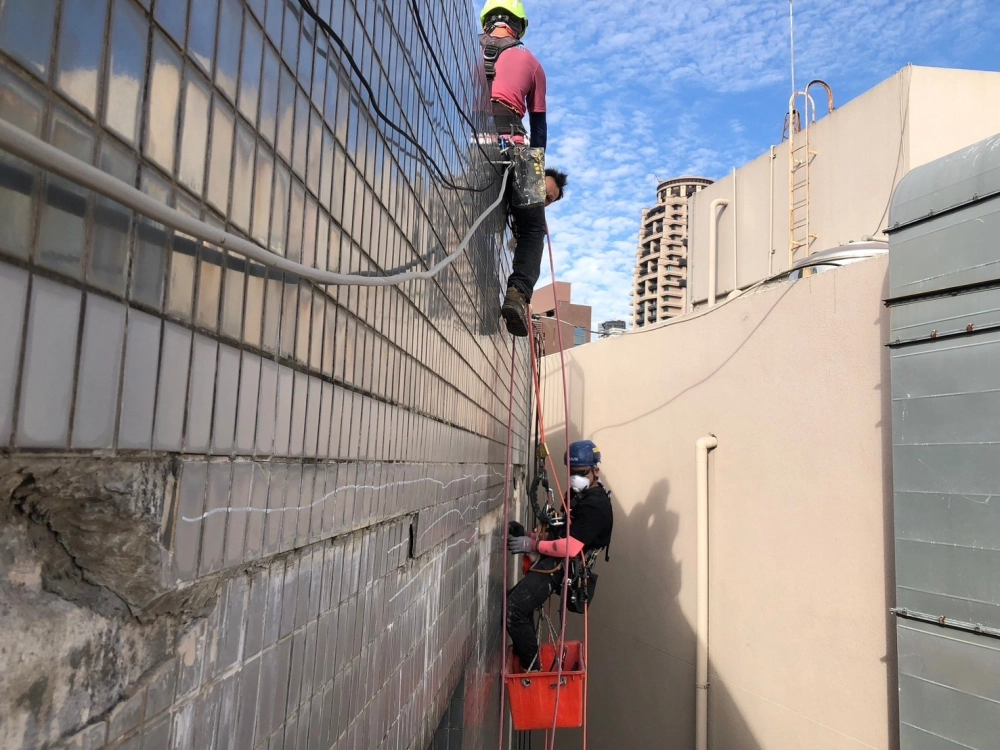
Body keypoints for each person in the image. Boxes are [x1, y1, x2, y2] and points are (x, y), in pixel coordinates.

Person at [478, 0, 565, 337]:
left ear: (487, 21)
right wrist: (533, 173)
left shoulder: (469, 49)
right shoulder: (532, 63)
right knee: (531, 229)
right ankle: (516, 294)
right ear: (519, 26)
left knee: (482, 223)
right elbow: (539, 128)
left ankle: (483, 294)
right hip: (514, 144)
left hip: (474, 139)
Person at [506, 440, 614, 671]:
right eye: (572, 473)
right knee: (513, 602)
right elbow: (560, 534)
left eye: (581, 473)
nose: (575, 478)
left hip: (565, 567)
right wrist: (528, 536)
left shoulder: (596, 505)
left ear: (596, 470)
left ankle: (532, 670)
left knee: (514, 608)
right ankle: (530, 661)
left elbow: (571, 547)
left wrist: (533, 545)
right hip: (557, 560)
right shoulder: (577, 495)